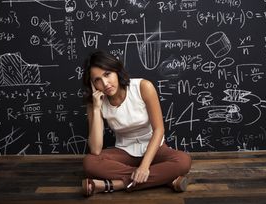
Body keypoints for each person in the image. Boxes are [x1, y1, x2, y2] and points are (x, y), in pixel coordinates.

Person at [81, 50, 192, 196]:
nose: (105, 83)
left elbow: (159, 129)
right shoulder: (95, 102)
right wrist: (96, 109)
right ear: (93, 84)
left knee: (184, 161)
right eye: (97, 80)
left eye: (107, 74)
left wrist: (145, 166)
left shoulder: (143, 87)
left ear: (116, 70)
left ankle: (115, 185)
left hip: (154, 148)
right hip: (125, 151)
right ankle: (165, 179)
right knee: (90, 162)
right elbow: (95, 149)